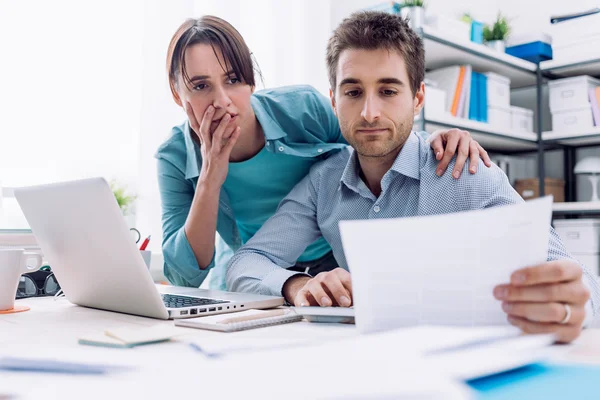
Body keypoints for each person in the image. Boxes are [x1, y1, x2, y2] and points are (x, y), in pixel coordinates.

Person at [226, 11, 600, 343]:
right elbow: (246, 263)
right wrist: (298, 284)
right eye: (353, 92)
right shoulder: (322, 182)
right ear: (333, 99)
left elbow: (581, 282)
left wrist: (570, 305)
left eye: (388, 91)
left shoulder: (464, 170)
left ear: (418, 98)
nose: (369, 112)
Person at [155, 15, 492, 290]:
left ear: (251, 81)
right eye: (200, 86)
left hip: (336, 260)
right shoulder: (175, 156)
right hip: (265, 272)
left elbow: (372, 142)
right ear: (176, 92)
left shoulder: (303, 110)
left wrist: (435, 139)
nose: (222, 101)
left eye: (232, 80)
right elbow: (188, 276)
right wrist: (211, 177)